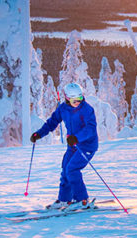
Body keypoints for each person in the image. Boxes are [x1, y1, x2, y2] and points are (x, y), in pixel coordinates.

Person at [30, 83, 99, 211]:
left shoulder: (87, 109)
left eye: (80, 99)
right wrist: (39, 133)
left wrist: (77, 138)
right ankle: (65, 200)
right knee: (65, 170)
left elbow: (90, 129)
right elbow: (52, 122)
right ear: (67, 98)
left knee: (72, 169)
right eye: (74, 100)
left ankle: (83, 200)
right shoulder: (63, 109)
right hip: (73, 145)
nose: (77, 102)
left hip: (87, 145)